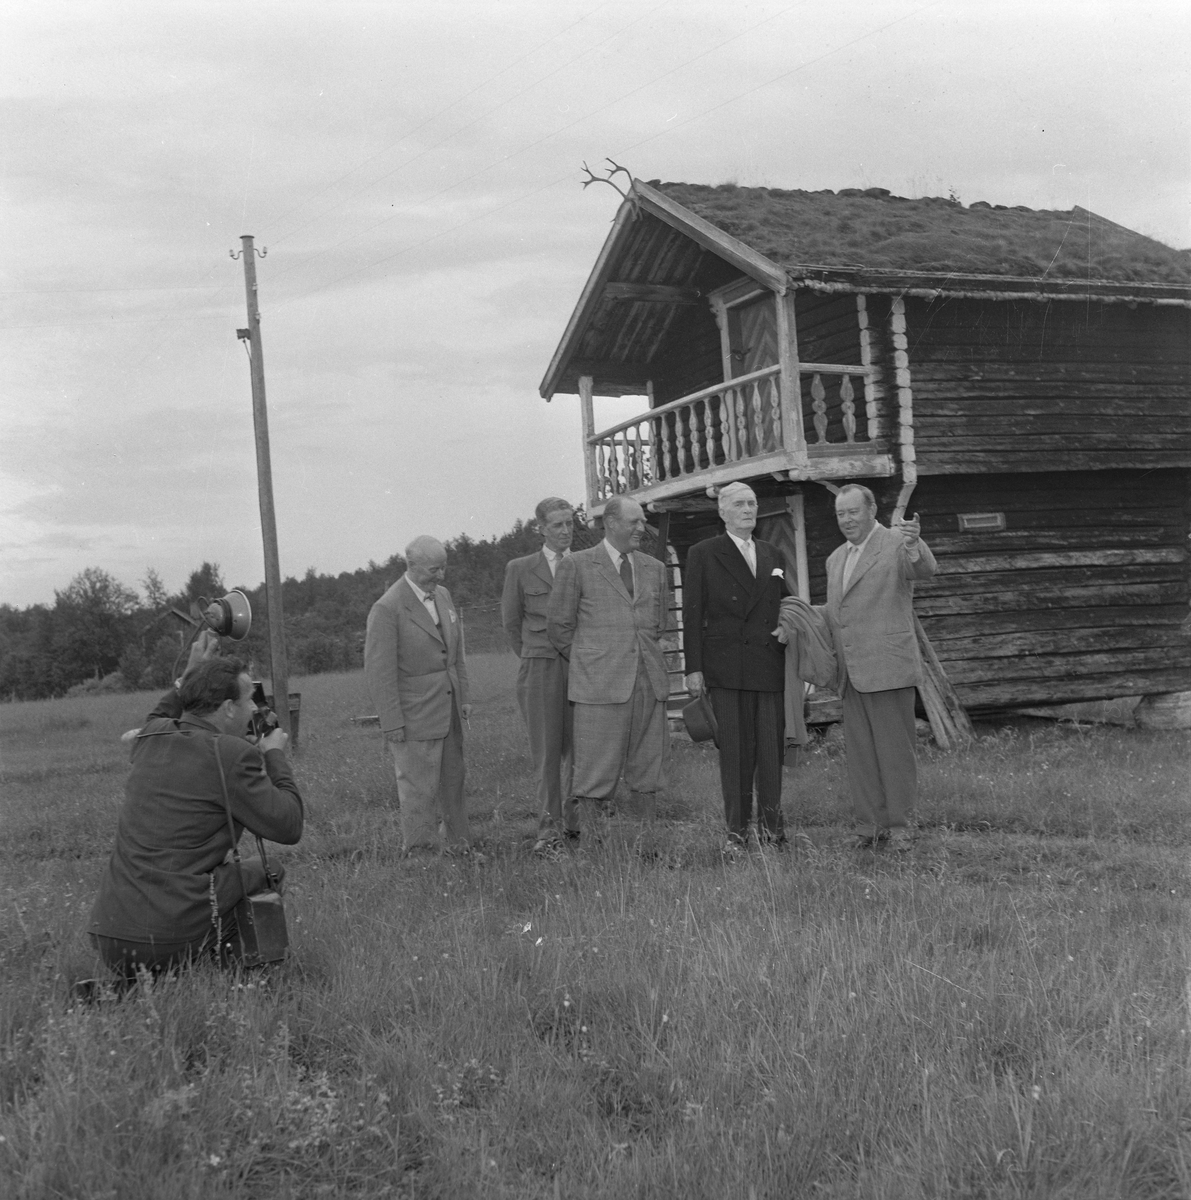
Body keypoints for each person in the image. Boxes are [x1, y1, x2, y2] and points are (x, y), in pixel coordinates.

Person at [88, 655, 303, 977]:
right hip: (165, 938)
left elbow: (160, 713)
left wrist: (193, 671)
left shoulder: (151, 736)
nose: (254, 710)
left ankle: (152, 980)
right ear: (228, 708)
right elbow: (289, 826)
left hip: (107, 934)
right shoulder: (230, 755)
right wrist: (274, 756)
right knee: (269, 871)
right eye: (248, 702)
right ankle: (235, 976)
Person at [546, 495, 670, 839]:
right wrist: (593, 663)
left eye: (643, 522)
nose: (641, 529)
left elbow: (658, 625)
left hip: (648, 684)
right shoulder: (578, 565)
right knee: (594, 773)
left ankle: (648, 847)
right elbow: (559, 628)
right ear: (612, 523)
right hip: (598, 689)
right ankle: (592, 849)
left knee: (647, 772)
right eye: (635, 522)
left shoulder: (654, 568)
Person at [824, 484, 937, 849]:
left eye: (853, 511)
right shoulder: (835, 558)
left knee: (894, 752)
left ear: (871, 509)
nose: (846, 520)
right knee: (860, 754)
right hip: (851, 672)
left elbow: (923, 569)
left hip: (888, 668)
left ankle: (901, 826)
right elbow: (836, 614)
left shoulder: (894, 544)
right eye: (840, 514)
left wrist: (913, 544)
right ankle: (868, 826)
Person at [682, 482, 790, 853]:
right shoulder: (703, 553)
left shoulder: (773, 553)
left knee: (771, 752)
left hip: (767, 664)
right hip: (726, 666)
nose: (748, 509)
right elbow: (692, 613)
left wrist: (791, 624)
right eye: (740, 504)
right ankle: (737, 832)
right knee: (735, 753)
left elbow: (785, 601)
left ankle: (773, 830)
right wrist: (693, 667)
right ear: (723, 512)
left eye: (753, 503)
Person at [365, 535, 473, 855]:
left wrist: (464, 697)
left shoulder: (444, 595)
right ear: (411, 567)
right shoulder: (387, 608)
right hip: (414, 715)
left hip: (449, 707)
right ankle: (422, 856)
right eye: (433, 570)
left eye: (444, 568)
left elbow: (456, 654)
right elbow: (379, 672)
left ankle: (460, 847)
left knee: (454, 783)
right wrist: (392, 722)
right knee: (418, 790)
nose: (440, 576)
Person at [501, 497, 577, 853]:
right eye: (557, 525)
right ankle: (550, 830)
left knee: (582, 749)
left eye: (570, 523)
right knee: (547, 752)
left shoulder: (584, 564)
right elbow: (512, 625)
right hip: (541, 667)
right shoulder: (520, 568)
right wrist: (537, 655)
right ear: (541, 529)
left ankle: (578, 824)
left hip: (581, 667)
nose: (565, 531)